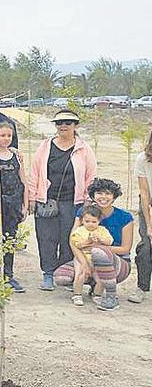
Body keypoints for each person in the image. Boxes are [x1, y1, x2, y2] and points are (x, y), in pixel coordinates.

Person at [28, 109, 97, 291]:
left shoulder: (83, 149)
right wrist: (32, 198)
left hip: (73, 202)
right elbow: (34, 173)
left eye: (68, 122)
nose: (63, 126)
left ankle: (65, 273)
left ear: (76, 126)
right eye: (59, 123)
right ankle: (48, 273)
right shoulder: (45, 147)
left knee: (70, 238)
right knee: (46, 238)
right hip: (47, 199)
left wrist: (88, 200)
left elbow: (91, 176)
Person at [53, 179, 134, 311]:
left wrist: (99, 247)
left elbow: (125, 248)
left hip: (118, 263)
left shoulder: (124, 217)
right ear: (93, 195)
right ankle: (93, 285)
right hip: (86, 257)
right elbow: (73, 241)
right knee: (61, 277)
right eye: (99, 193)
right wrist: (83, 262)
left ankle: (111, 296)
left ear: (114, 196)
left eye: (108, 193)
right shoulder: (84, 213)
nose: (103, 197)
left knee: (99, 252)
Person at [0, 122, 29, 293]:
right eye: (2, 135)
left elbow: (24, 182)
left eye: (9, 136)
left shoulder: (16, 157)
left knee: (9, 241)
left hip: (14, 205)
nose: (6, 138)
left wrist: (25, 205)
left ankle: (8, 275)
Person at [65, 205, 112, 307]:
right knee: (80, 274)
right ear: (82, 221)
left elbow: (109, 241)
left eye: (94, 222)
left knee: (100, 278)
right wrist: (88, 241)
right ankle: (77, 294)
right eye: (87, 221)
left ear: (99, 221)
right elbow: (77, 244)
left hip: (97, 259)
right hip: (82, 257)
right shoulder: (79, 231)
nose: (90, 224)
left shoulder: (102, 230)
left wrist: (101, 240)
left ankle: (97, 294)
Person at [130, 129, 152, 304]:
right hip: (149, 205)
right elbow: (145, 194)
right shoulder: (143, 159)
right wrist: (150, 225)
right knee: (146, 245)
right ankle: (142, 287)